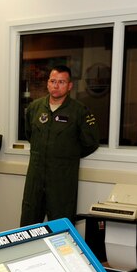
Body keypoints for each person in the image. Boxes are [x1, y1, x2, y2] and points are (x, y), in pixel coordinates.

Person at [20, 64, 100, 226]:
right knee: (28, 227)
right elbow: (30, 135)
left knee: (61, 228)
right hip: (35, 177)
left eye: (61, 82)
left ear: (69, 86)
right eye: (53, 81)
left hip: (62, 180)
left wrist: (66, 155)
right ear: (48, 83)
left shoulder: (79, 111)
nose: (56, 86)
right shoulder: (35, 108)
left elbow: (90, 142)